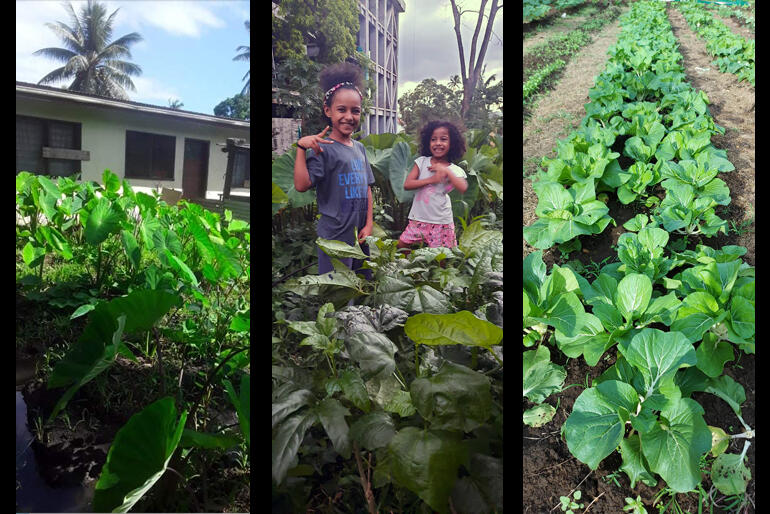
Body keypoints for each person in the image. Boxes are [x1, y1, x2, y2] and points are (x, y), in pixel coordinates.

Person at [293, 62, 374, 277]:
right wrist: (301, 148)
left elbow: (367, 188)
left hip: (359, 235)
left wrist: (369, 224)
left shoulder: (360, 148)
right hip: (335, 236)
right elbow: (301, 185)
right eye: (342, 110)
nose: (349, 116)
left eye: (355, 111)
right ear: (328, 110)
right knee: (336, 291)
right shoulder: (323, 149)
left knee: (361, 284)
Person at [398, 120, 468, 252]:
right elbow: (407, 184)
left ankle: (437, 273)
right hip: (417, 219)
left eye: (443, 139)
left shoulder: (454, 170)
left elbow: (462, 187)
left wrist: (446, 170)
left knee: (439, 257)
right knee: (402, 244)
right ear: (427, 142)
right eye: (433, 139)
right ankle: (410, 271)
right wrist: (432, 179)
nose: (438, 143)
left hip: (440, 222)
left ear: (452, 143)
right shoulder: (422, 162)